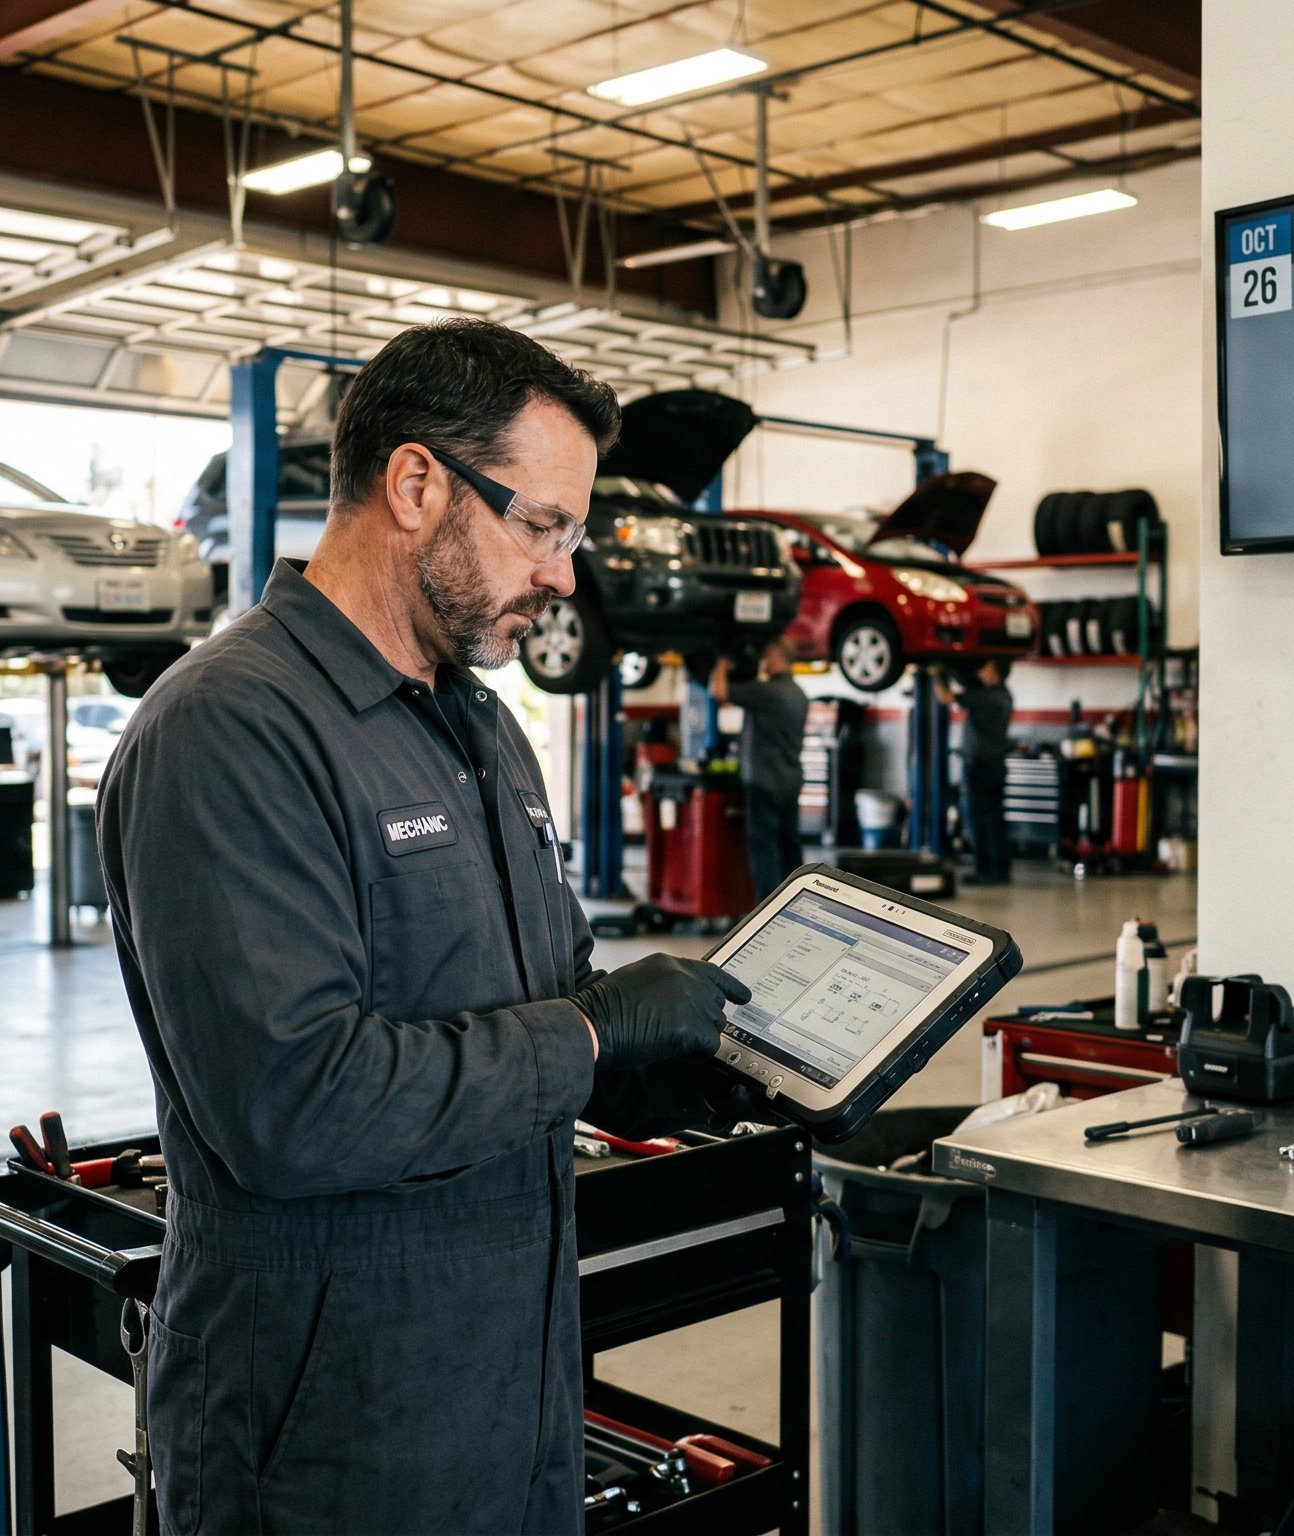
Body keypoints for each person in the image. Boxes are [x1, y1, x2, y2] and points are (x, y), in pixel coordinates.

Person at [99, 318, 752, 1534]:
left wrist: (665, 1078)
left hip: (512, 1396)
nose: (564, 576)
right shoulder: (229, 732)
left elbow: (541, 1001)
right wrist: (596, 1042)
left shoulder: (480, 730)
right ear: (415, 484)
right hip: (321, 1440)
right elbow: (295, 1104)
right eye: (542, 526)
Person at [710, 638, 809, 899]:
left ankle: (767, 911)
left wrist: (721, 662)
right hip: (790, 780)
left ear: (776, 657)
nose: (763, 661)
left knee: (764, 849)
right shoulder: (799, 694)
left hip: (765, 781)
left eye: (766, 655)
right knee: (790, 846)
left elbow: (718, 691)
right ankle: (797, 904)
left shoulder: (767, 692)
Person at [940, 657, 1015, 885]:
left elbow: (945, 697)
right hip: (995, 764)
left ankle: (984, 872)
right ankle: (1000, 870)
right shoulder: (1004, 695)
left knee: (977, 820)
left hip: (979, 765)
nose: (982, 672)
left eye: (987, 668)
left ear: (996, 673)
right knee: (995, 819)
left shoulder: (985, 696)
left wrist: (936, 673)